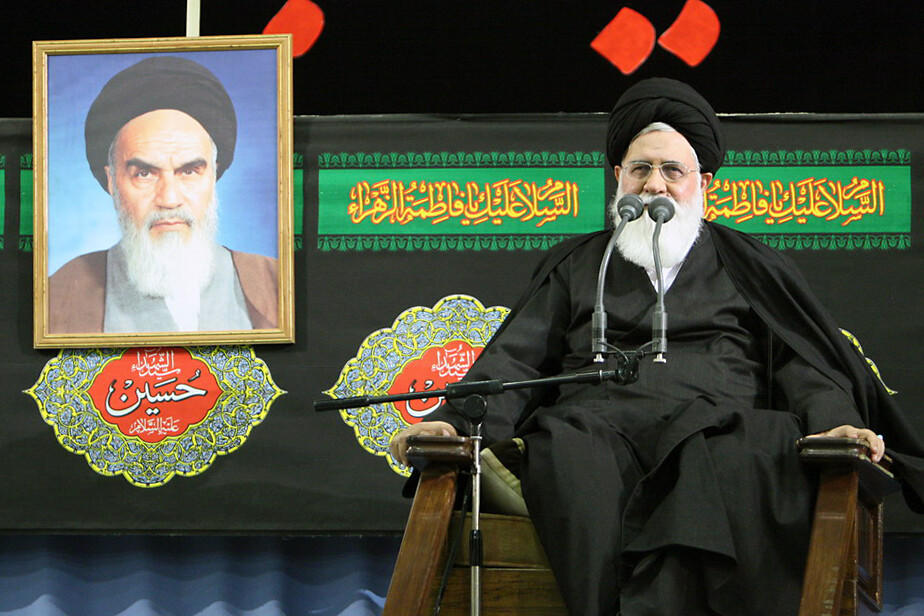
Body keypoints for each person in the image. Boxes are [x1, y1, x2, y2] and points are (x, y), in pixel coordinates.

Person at [390, 78, 924, 615]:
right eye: (641, 169)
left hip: (719, 425)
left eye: (673, 170)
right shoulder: (579, 264)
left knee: (748, 449)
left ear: (703, 183)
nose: (655, 186)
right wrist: (453, 423)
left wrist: (834, 421)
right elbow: (516, 360)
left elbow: (801, 363)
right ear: (617, 178)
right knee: (569, 449)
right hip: (597, 428)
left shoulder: (749, 264)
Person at [48, 56, 278, 334]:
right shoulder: (60, 296)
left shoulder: (274, 283)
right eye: (144, 173)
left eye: (189, 171)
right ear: (111, 180)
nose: (169, 199)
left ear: (213, 174)